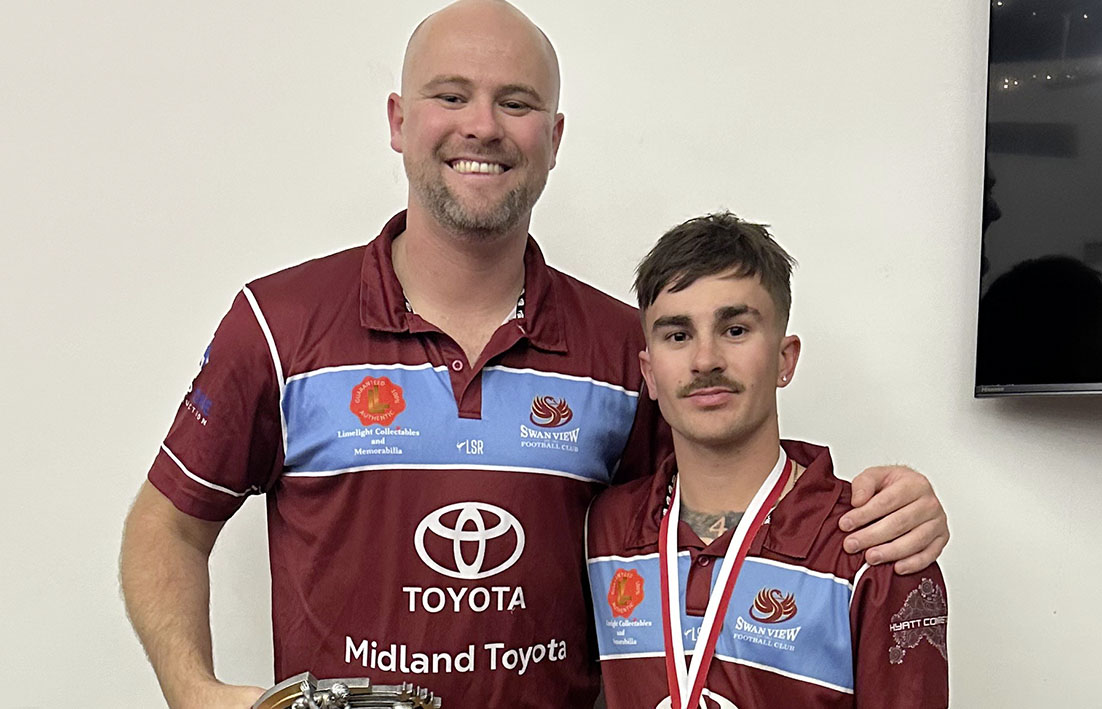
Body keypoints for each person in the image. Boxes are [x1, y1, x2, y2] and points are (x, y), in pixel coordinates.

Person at [119, 2, 949, 708]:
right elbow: (167, 525)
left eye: (515, 103)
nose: (482, 125)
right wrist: (195, 692)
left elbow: (716, 501)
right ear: (399, 121)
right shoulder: (278, 322)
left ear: (553, 138)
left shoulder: (622, 345)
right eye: (451, 95)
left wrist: (884, 508)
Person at [586, 213, 948, 708]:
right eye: (678, 336)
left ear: (784, 359)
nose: (705, 360)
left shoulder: (875, 543)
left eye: (735, 330)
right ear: (649, 373)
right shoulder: (604, 530)